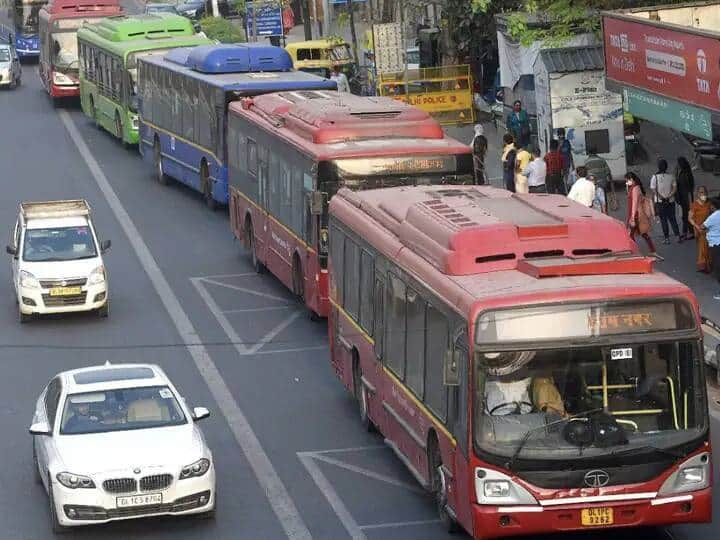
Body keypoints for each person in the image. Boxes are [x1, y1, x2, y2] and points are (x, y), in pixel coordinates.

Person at [625, 172, 658, 258]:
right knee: (643, 233)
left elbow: (634, 203)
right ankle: (652, 250)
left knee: (631, 235)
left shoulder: (635, 189)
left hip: (636, 214)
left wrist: (632, 217)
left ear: (631, 180)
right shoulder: (635, 187)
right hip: (637, 214)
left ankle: (635, 252)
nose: (626, 182)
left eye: (627, 180)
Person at [650, 159, 682, 244]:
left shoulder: (655, 177)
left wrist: (662, 197)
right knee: (672, 219)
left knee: (663, 220)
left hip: (660, 202)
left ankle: (667, 239)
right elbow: (675, 188)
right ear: (666, 166)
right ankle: (677, 236)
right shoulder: (671, 176)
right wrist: (669, 196)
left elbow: (654, 189)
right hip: (671, 201)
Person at [689, 186, 712, 272]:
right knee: (702, 246)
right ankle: (703, 264)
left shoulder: (709, 203)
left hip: (708, 227)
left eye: (704, 192)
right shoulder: (694, 204)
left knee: (708, 246)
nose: (703, 194)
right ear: (698, 194)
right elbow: (690, 218)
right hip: (698, 228)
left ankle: (708, 263)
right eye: (701, 192)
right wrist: (697, 227)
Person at [702, 198, 720, 299]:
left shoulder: (713, 217)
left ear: (713, 206)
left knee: (718, 268)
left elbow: (702, 226)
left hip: (715, 245)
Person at [675, 156, 695, 240]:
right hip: (682, 197)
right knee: (684, 215)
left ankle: (690, 232)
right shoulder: (681, 172)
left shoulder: (686, 174)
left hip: (687, 197)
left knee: (687, 215)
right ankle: (685, 231)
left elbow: (690, 187)